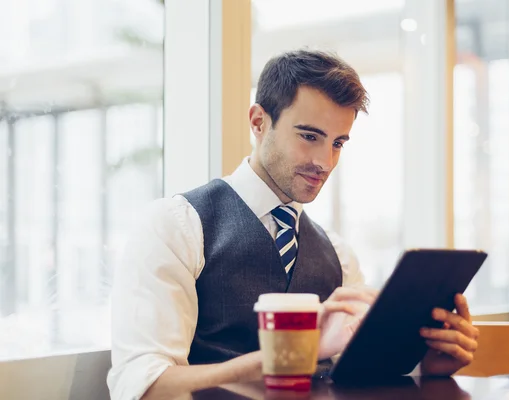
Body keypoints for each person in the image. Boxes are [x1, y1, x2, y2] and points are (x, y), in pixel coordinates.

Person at [107, 50, 479, 400]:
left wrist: (425, 367)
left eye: (338, 143)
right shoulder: (177, 226)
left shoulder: (338, 254)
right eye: (309, 136)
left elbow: (355, 375)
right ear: (258, 121)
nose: (324, 161)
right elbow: (144, 386)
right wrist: (289, 355)